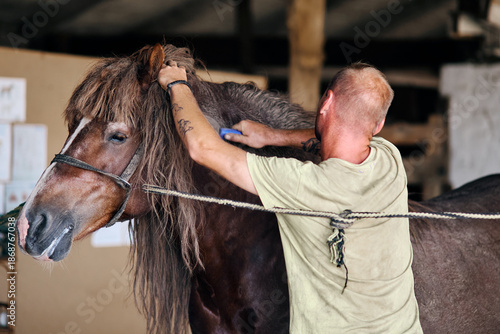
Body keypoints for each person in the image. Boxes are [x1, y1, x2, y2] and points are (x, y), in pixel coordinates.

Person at [158, 62, 422, 333]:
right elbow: (344, 137)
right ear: (378, 125)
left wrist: (177, 85)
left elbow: (202, 148)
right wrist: (272, 136)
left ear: (326, 101)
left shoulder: (303, 184)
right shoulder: (389, 159)